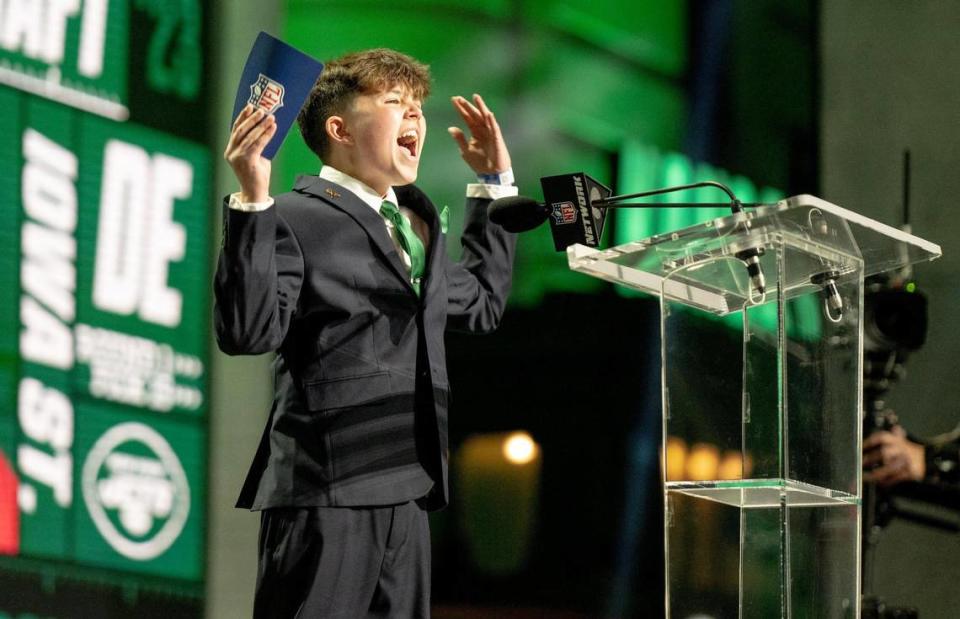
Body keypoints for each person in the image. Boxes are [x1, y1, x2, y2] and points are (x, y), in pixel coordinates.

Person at [215, 48, 517, 618]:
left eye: (418, 107)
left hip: (409, 494)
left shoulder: (416, 227)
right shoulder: (294, 215)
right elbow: (247, 331)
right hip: (327, 492)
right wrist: (253, 199)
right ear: (340, 129)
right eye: (394, 103)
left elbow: (480, 304)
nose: (415, 118)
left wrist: (494, 183)